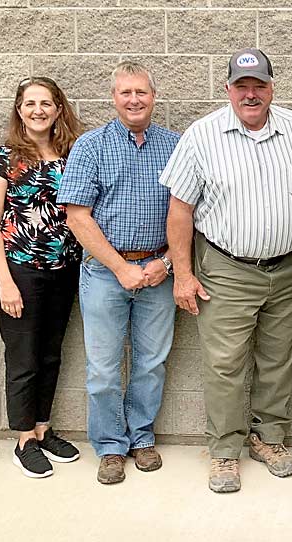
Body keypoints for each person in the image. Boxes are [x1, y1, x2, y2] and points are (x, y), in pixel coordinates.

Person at [161, 48, 292, 493]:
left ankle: (269, 439)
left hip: (288, 272)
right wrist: (184, 275)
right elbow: (179, 210)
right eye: (242, 86)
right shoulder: (202, 135)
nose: (251, 94)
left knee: (278, 360)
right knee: (225, 364)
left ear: (271, 88)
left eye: (259, 85)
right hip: (226, 270)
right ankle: (225, 452)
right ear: (228, 89)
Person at [58, 61, 180, 485]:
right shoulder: (90, 146)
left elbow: (190, 213)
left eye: (141, 92)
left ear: (153, 96)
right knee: (104, 368)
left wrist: (166, 264)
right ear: (114, 98)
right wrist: (120, 267)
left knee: (152, 362)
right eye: (126, 93)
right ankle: (111, 446)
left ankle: (141, 437)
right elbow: (77, 216)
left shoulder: (175, 145)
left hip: (158, 271)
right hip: (105, 274)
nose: (134, 100)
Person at [0, 76, 86, 478]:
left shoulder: (71, 154)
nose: (38, 110)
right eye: (30, 104)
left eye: (46, 103)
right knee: (23, 358)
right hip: (20, 273)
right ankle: (24, 438)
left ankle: (43, 428)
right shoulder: (2, 158)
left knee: (51, 353)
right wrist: (4, 281)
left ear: (58, 109)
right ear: (19, 110)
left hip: (64, 270)